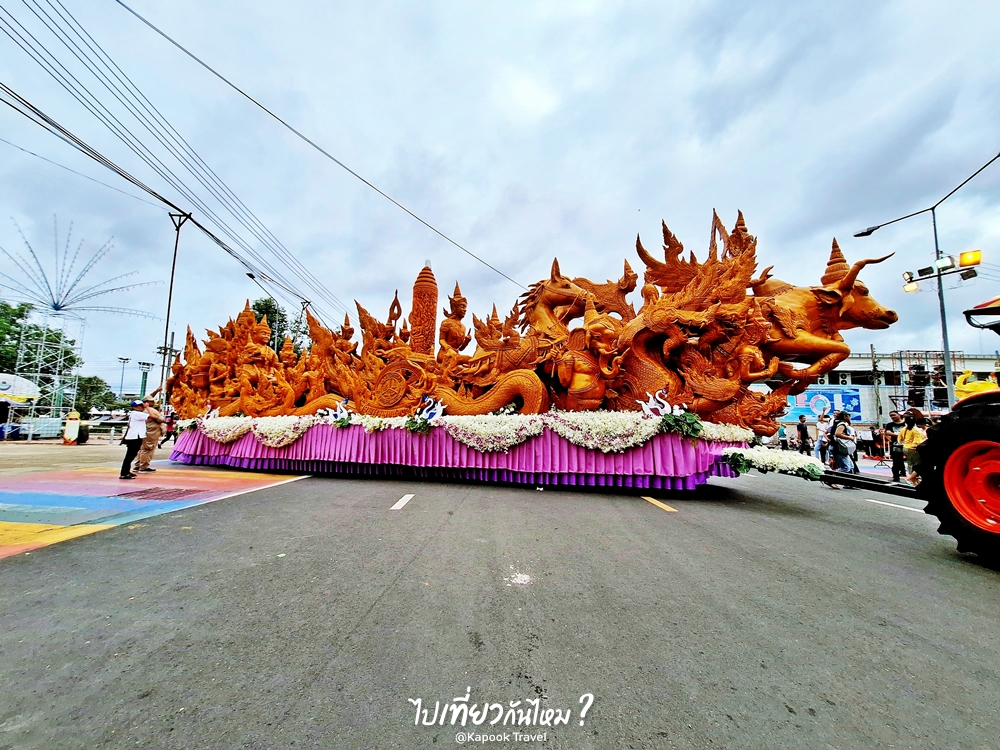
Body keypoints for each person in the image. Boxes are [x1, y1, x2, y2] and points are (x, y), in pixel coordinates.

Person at [133, 396, 164, 473]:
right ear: (147, 402)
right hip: (151, 433)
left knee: (143, 449)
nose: (154, 402)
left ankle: (138, 465)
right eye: (152, 401)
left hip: (147, 432)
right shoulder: (148, 410)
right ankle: (143, 466)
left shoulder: (144, 410)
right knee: (148, 449)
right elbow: (160, 419)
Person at [120, 400, 150, 479]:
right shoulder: (137, 414)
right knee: (129, 456)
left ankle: (126, 471)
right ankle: (124, 473)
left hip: (135, 437)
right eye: (140, 406)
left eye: (142, 405)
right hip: (134, 437)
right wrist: (147, 407)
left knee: (131, 456)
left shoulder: (135, 414)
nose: (142, 407)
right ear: (135, 407)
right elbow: (152, 416)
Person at [899, 409, 928, 486]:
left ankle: (913, 479)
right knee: (918, 464)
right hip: (914, 449)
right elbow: (918, 441)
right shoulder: (916, 430)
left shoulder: (903, 429)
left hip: (905, 447)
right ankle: (912, 478)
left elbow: (900, 439)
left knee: (910, 463)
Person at [830, 411, 858, 475]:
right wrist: (850, 437)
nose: (850, 417)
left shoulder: (838, 423)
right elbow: (838, 434)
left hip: (841, 448)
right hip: (839, 448)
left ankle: (848, 484)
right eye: (849, 416)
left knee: (851, 467)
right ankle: (831, 478)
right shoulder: (841, 424)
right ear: (845, 416)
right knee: (846, 468)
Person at [883, 410, 907, 482]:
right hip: (896, 445)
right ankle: (896, 477)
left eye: (894, 415)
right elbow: (888, 432)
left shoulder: (906, 423)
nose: (892, 417)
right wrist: (900, 435)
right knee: (896, 461)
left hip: (908, 444)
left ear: (899, 415)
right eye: (891, 416)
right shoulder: (890, 425)